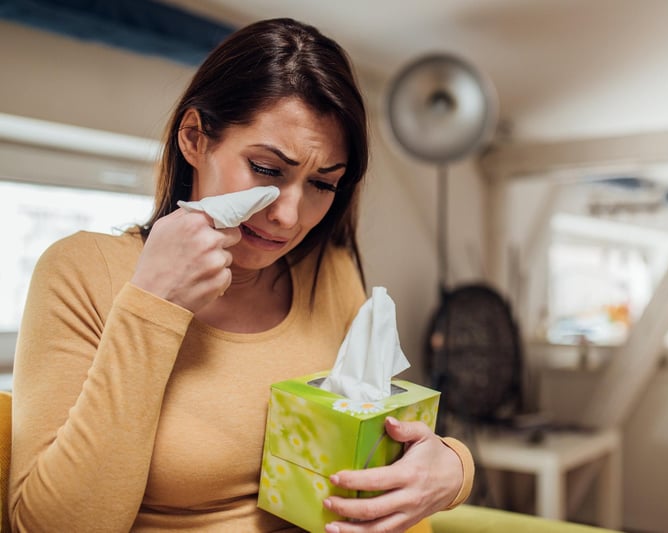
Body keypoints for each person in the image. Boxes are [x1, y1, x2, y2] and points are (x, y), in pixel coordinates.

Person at [9, 17, 473, 533]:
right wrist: (153, 305)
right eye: (268, 170)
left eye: (322, 184)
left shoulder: (330, 270)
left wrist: (454, 468)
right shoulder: (81, 271)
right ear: (194, 139)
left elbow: (377, 435)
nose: (289, 216)